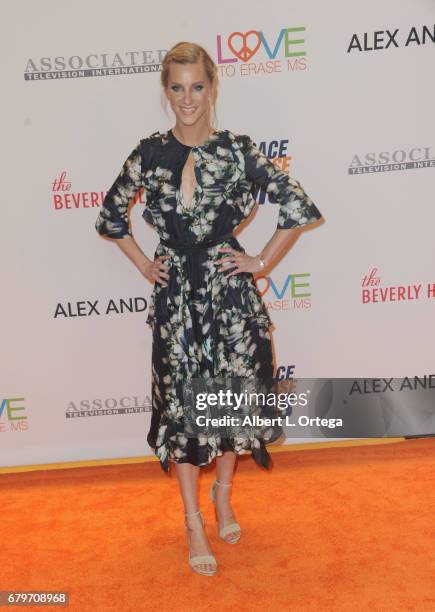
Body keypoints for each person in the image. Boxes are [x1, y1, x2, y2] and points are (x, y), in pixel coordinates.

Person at [95, 41, 323, 577]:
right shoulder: (149, 154)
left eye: (197, 86)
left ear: (212, 86)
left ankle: (222, 497)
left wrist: (261, 260)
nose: (187, 98)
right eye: (177, 88)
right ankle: (193, 519)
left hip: (230, 301)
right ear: (165, 91)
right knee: (182, 409)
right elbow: (110, 218)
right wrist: (144, 265)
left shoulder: (239, 151)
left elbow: (296, 205)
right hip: (177, 302)